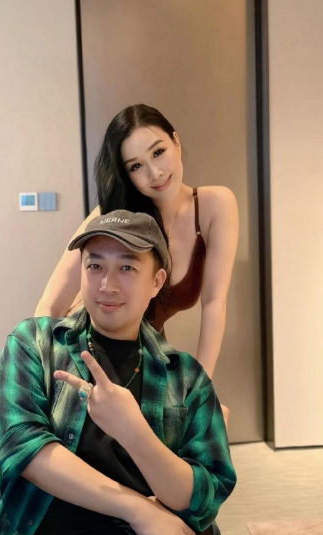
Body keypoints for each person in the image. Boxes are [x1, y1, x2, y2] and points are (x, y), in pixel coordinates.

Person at [0, 211, 241, 535]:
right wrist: (137, 508)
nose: (107, 285)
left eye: (127, 268)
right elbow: (20, 446)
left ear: (156, 281)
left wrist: (134, 433)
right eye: (95, 265)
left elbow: (202, 498)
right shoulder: (35, 344)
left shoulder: (186, 377)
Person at [35, 105, 239, 424]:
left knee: (208, 423)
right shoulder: (114, 215)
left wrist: (201, 390)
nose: (154, 173)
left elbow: (215, 302)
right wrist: (36, 378)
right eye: (136, 166)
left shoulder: (215, 205)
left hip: (137, 356)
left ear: (176, 142)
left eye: (158, 152)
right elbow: (50, 305)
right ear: (126, 173)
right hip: (86, 352)